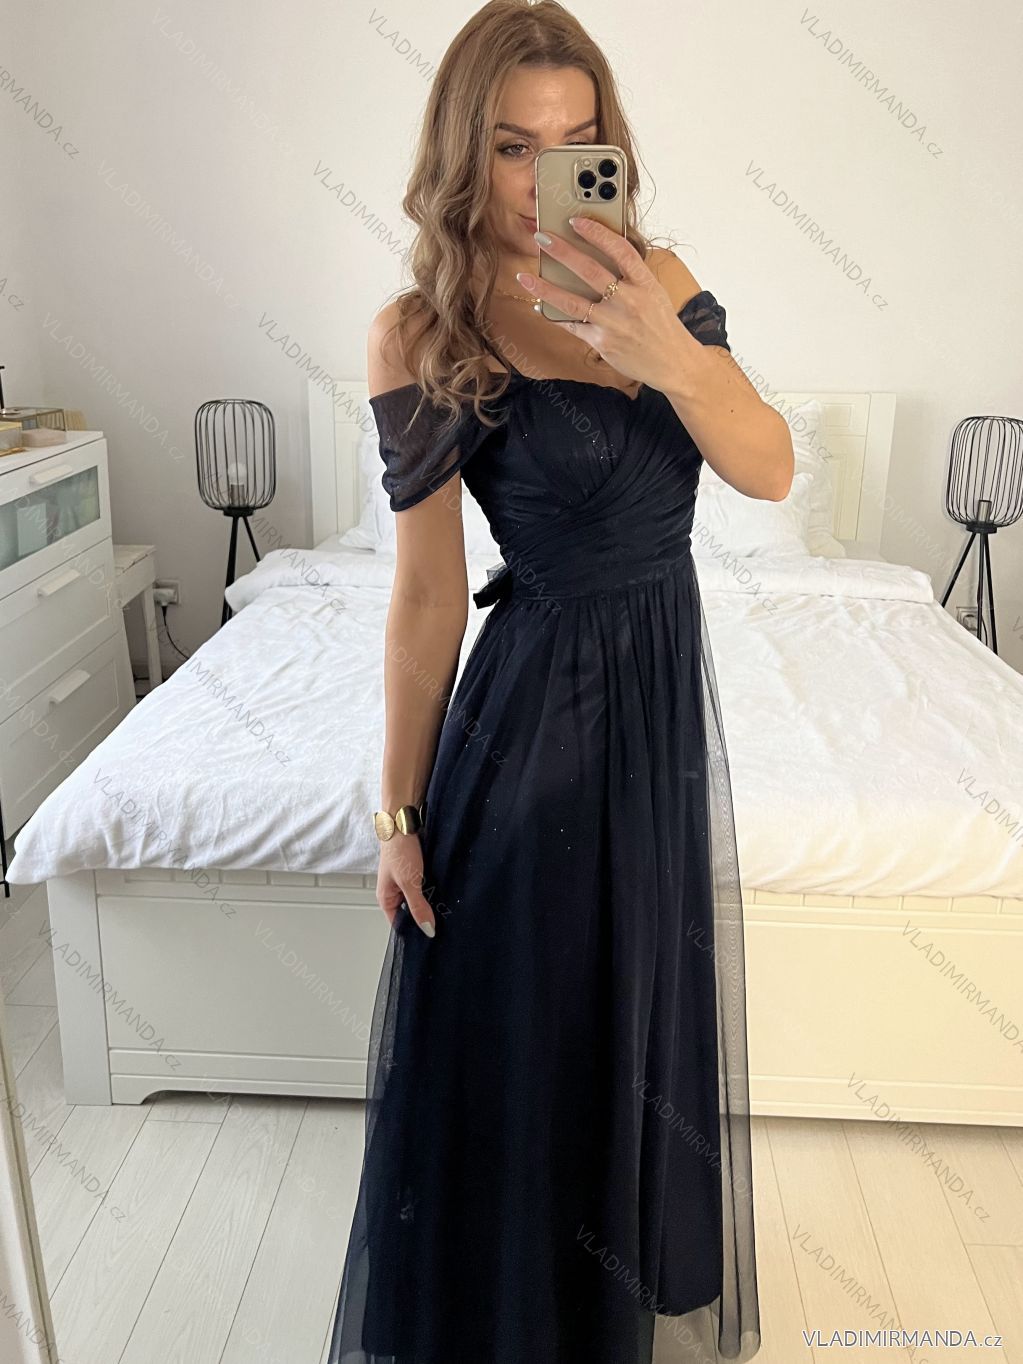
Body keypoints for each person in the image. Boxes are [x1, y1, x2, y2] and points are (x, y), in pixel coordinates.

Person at [330, 3, 792, 1360]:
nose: (547, 176)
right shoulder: (422, 330)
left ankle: (597, 1300)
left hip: (658, 723)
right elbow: (427, 598)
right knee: (527, 1037)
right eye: (515, 146)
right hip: (531, 727)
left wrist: (672, 358)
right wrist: (397, 813)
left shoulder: (657, 280)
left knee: (625, 1022)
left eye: (577, 140)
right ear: (464, 154)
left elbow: (768, 467)